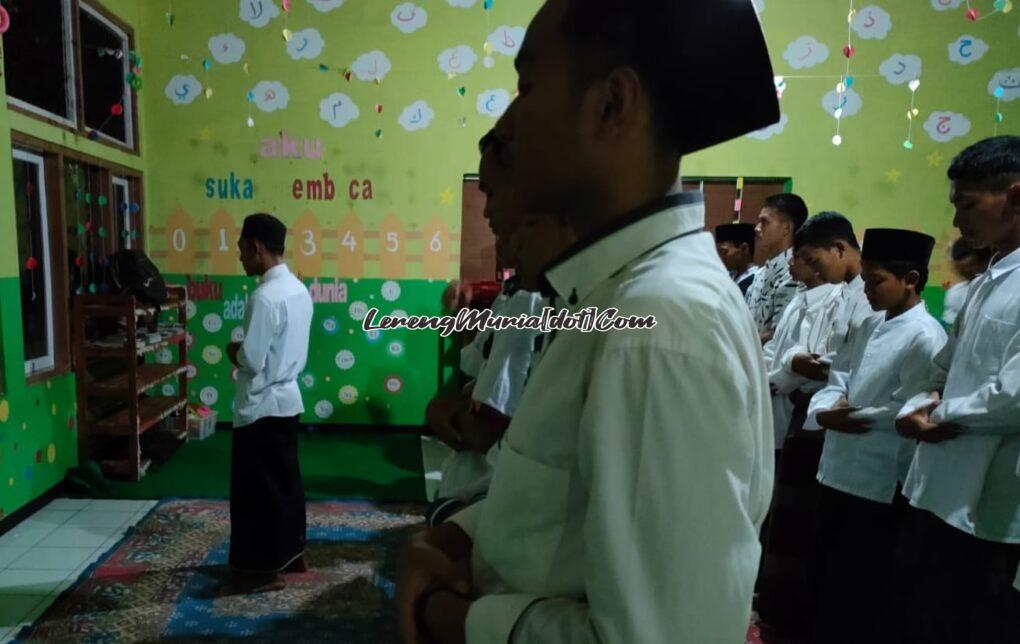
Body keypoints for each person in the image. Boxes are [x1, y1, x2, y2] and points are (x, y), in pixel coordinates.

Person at [395, 0, 780, 642]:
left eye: (526, 86)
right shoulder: (610, 295)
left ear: (612, 105)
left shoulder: (659, 321)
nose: (507, 125)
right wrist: (454, 540)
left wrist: (443, 613)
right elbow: (558, 505)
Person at [894, 135, 1020, 644]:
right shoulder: (990, 277)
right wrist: (920, 403)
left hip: (996, 498)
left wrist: (941, 415)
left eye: (969, 204)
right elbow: (943, 364)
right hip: (944, 486)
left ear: (1015, 196)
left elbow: (1013, 393)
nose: (959, 222)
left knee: (978, 622)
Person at [804, 228, 946, 644]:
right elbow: (839, 377)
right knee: (826, 576)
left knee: (862, 589)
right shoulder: (867, 325)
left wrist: (852, 415)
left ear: (911, 280)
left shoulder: (926, 336)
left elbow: (911, 406)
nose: (866, 290)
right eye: (864, 279)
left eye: (876, 281)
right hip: (836, 466)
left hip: (879, 478)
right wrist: (824, 411)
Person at [757, 212, 878, 641]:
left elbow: (832, 361)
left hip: (838, 426)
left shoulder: (866, 296)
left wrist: (792, 367)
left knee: (825, 538)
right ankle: (786, 611)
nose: (807, 269)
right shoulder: (838, 293)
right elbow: (823, 360)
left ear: (839, 249)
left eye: (812, 259)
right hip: (810, 412)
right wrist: (789, 365)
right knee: (801, 528)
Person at [224, 213, 313, 593]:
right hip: (288, 401)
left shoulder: (264, 297)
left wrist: (233, 350)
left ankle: (263, 570)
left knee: (257, 491)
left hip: (261, 406)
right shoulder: (297, 289)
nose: (240, 257)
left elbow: (252, 358)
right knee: (286, 483)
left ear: (257, 247)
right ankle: (292, 556)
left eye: (242, 249)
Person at [746, 193, 809, 343]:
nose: (757, 228)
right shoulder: (761, 273)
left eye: (764, 222)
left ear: (786, 228)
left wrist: (743, 342)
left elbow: (780, 333)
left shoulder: (793, 274)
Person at [941, 237, 992, 327]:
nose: (966, 274)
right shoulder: (954, 294)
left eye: (971, 269)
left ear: (986, 262)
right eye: (962, 271)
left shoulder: (999, 291)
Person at [716, 222, 758, 295]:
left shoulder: (755, 282)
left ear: (744, 249)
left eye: (724, 252)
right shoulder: (731, 275)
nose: (720, 258)